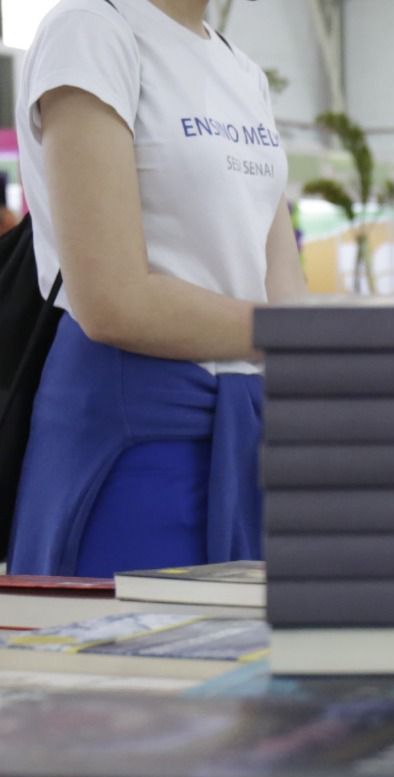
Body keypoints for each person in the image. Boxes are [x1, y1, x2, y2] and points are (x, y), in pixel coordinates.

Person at [8, 0, 305, 577]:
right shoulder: (92, 30)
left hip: (249, 438)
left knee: (245, 660)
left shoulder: (243, 71)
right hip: (133, 428)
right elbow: (113, 300)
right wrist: (296, 336)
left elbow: (284, 290)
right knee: (129, 657)